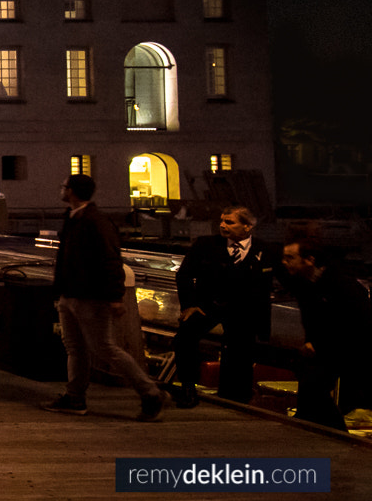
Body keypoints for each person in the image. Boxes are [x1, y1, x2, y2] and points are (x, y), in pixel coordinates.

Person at [43, 174, 166, 420]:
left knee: (104, 348)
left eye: (64, 186)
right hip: (71, 294)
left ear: (73, 192)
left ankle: (149, 391)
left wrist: (115, 297)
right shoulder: (76, 218)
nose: (61, 189)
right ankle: (75, 396)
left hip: (89, 296)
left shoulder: (94, 221)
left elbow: (111, 260)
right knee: (76, 347)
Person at [170, 205, 276, 407]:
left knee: (239, 350)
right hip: (208, 305)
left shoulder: (265, 250)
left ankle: (235, 397)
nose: (223, 226)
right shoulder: (205, 245)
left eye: (230, 222)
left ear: (248, 226)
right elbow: (183, 274)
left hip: (244, 310)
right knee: (185, 336)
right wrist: (189, 305)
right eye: (222, 221)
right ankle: (187, 387)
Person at [280, 238, 370, 429]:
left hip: (349, 347)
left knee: (315, 386)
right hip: (323, 348)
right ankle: (306, 424)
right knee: (308, 385)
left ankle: (337, 431)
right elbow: (312, 319)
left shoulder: (340, 284)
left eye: (290, 258)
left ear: (309, 260)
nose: (285, 262)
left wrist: (318, 344)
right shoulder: (303, 283)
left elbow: (353, 323)